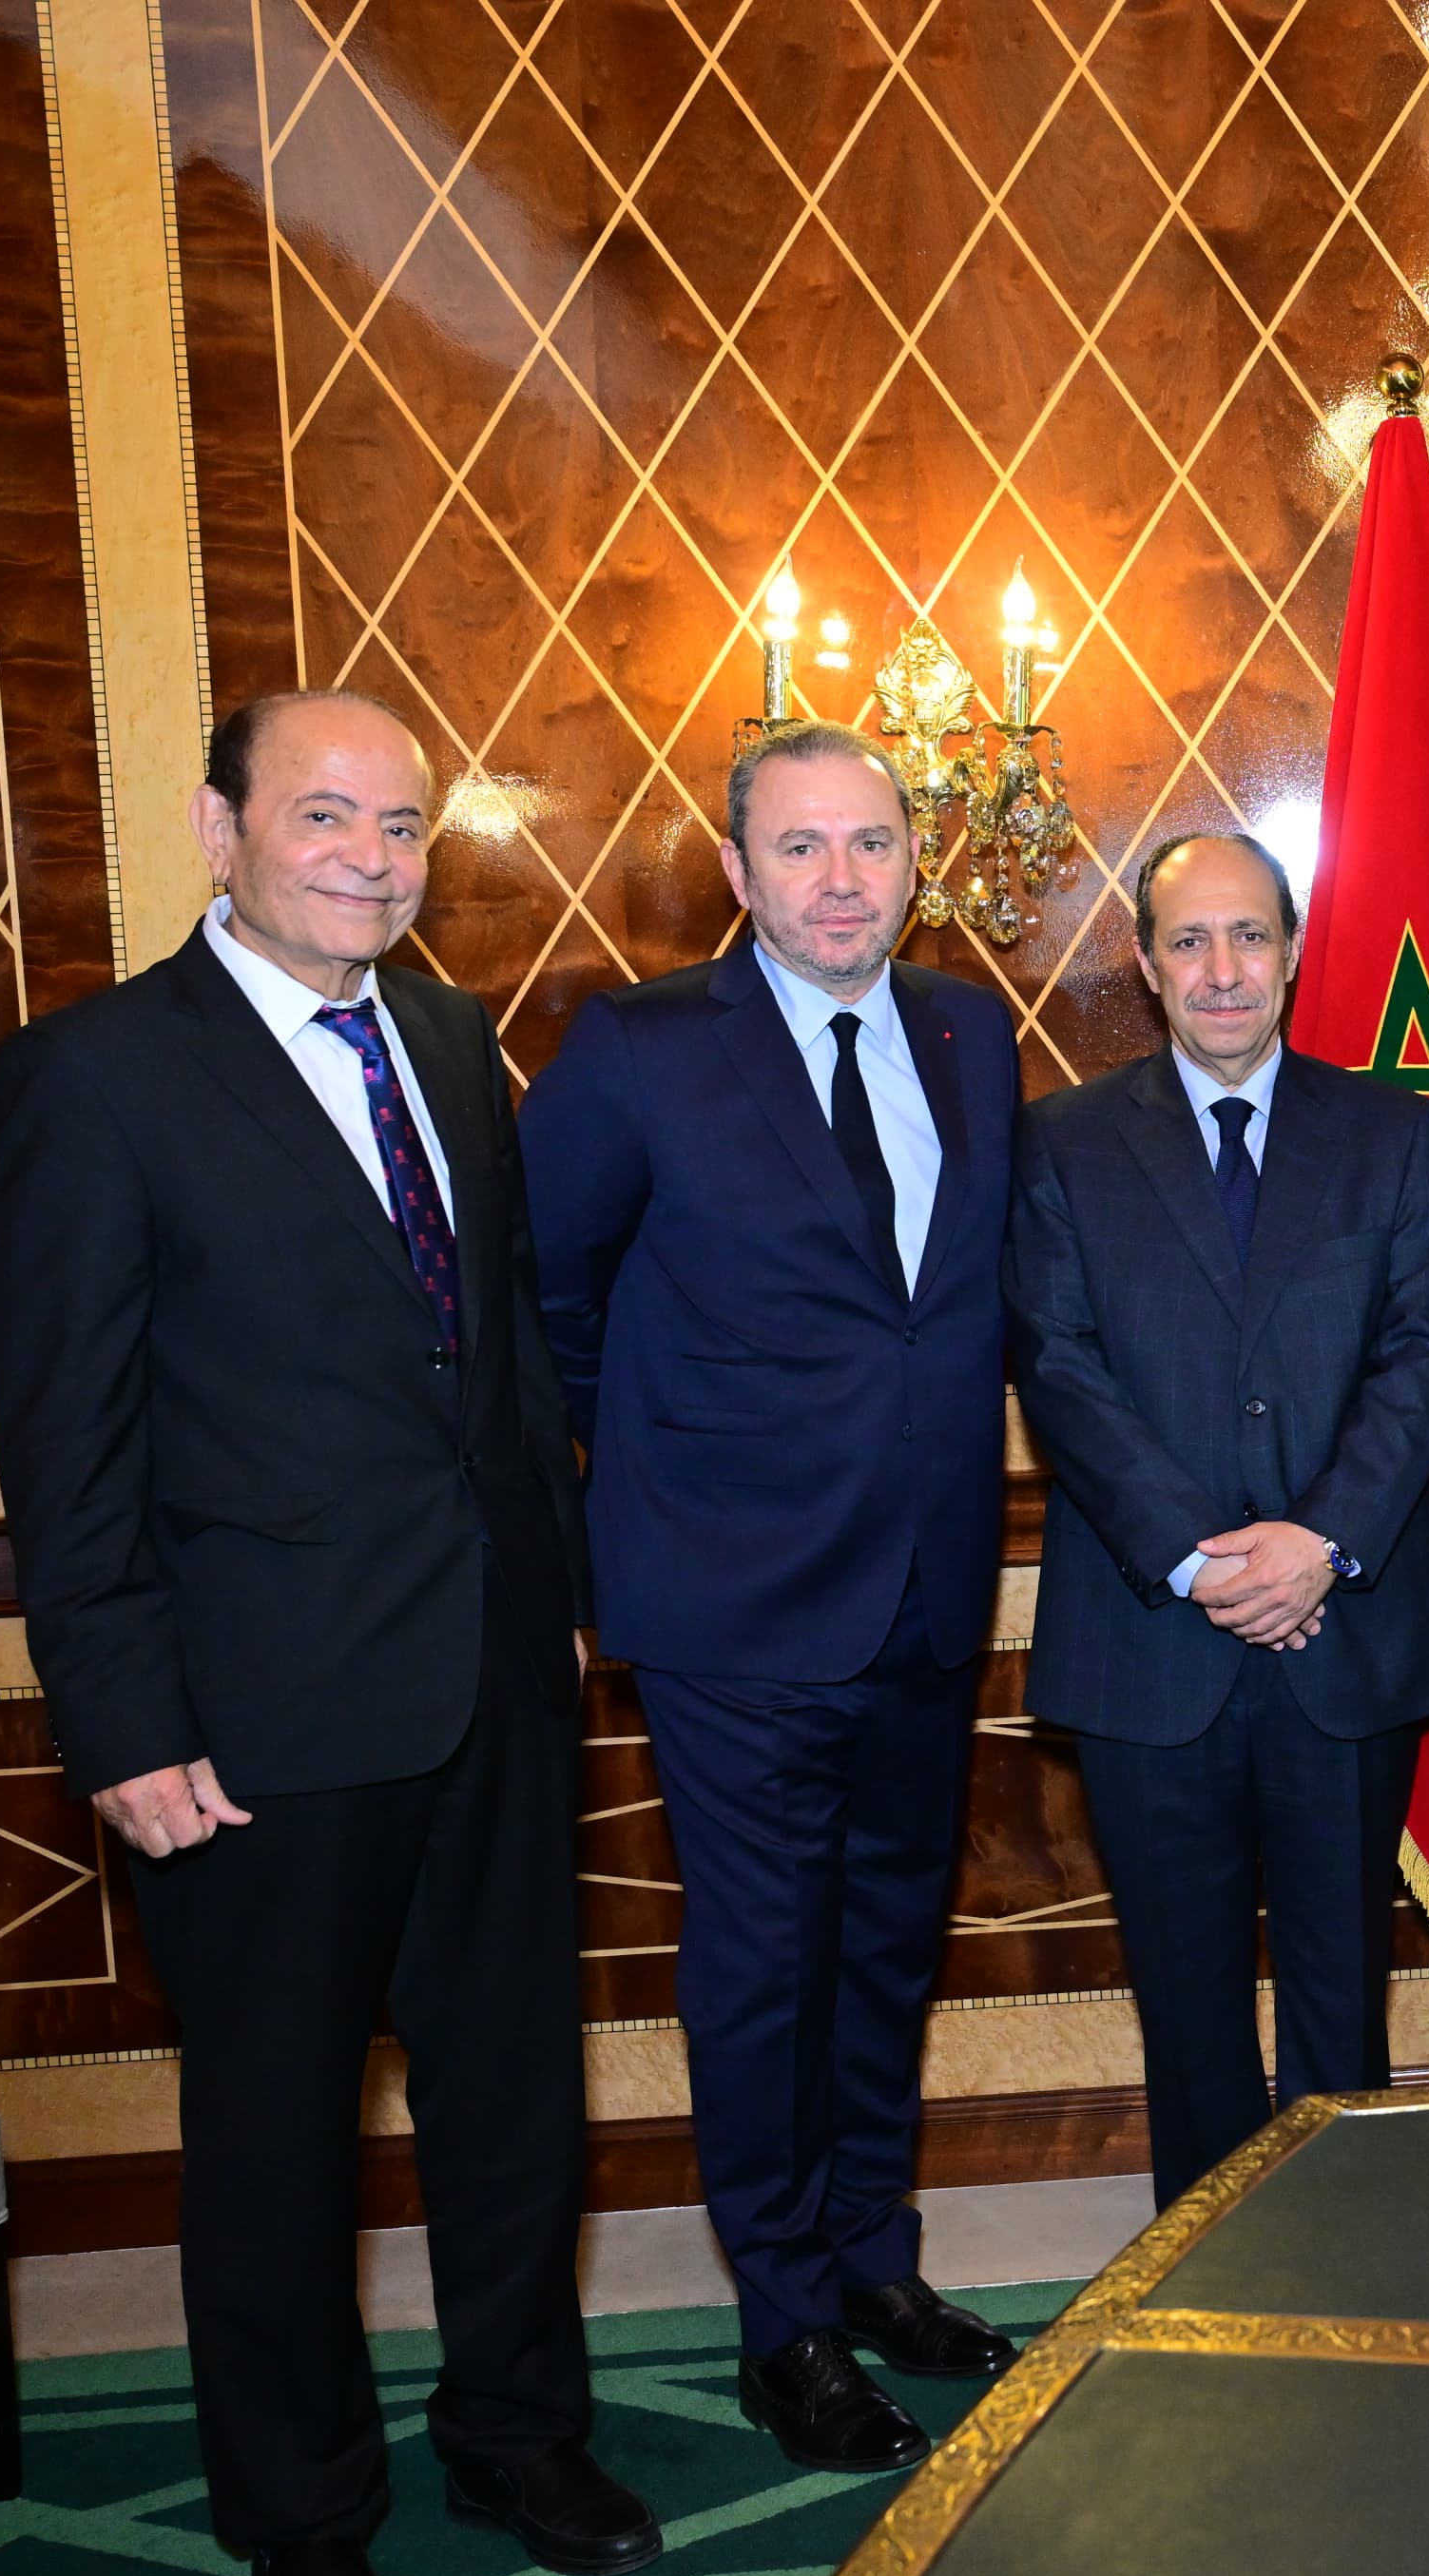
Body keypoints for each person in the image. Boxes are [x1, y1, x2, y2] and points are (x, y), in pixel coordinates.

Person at [0, 690, 657, 2576]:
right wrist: (123, 1717)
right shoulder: (98, 1073)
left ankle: (519, 2425)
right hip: (254, 1714)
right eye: (324, 816)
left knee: (514, 2096)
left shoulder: (448, 1038)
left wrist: (559, 1607)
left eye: (402, 822)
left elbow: (503, 1356)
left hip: (494, 1680)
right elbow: (67, 1434)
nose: (372, 857)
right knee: (276, 2130)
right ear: (221, 830)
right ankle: (300, 2507)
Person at [521, 722, 1024, 2474]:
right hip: (730, 1600)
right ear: (737, 872)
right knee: (763, 1965)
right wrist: (665, 1485)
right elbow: (551, 1300)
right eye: (798, 847)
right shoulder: (641, 1047)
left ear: (915, 861)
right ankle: (784, 2319)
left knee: (885, 1947)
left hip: (926, 1587)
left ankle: (874, 2259)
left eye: (870, 843)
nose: (839, 879)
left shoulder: (969, 1030)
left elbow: (952, 1306)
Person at [1007, 833, 1429, 2203]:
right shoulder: (1063, 1141)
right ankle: (1205, 2284)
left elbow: (1425, 1352)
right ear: (1147, 966)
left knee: (1342, 1991)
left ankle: (1343, 2269)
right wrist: (1197, 1558)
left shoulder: (1394, 1133)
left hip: (1347, 1629)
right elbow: (1059, 1364)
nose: (1224, 970)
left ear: (1293, 950)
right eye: (1191, 941)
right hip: (1150, 1640)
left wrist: (1318, 1541)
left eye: (1251, 936)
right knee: (1187, 2003)